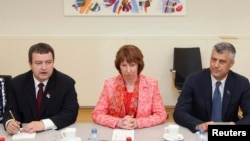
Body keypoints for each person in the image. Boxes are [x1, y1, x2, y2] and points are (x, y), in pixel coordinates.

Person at [3, 42, 79, 135]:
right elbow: (10, 110)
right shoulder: (17, 83)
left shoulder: (66, 83)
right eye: (38, 63)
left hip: (54, 135)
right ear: (30, 64)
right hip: (24, 135)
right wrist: (9, 123)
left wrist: (43, 124)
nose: (44, 67)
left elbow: (70, 113)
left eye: (48, 62)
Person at [173, 42, 250, 133]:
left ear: (231, 63)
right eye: (213, 59)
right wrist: (200, 125)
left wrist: (236, 126)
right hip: (201, 133)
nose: (216, 65)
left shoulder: (241, 83)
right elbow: (179, 112)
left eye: (222, 61)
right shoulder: (193, 80)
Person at [92, 44, 167, 129]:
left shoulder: (151, 84)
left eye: (132, 65)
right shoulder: (109, 84)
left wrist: (137, 123)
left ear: (139, 65)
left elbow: (161, 115)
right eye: (124, 65)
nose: (128, 70)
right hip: (116, 131)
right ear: (119, 66)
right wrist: (117, 122)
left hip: (143, 131)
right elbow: (97, 114)